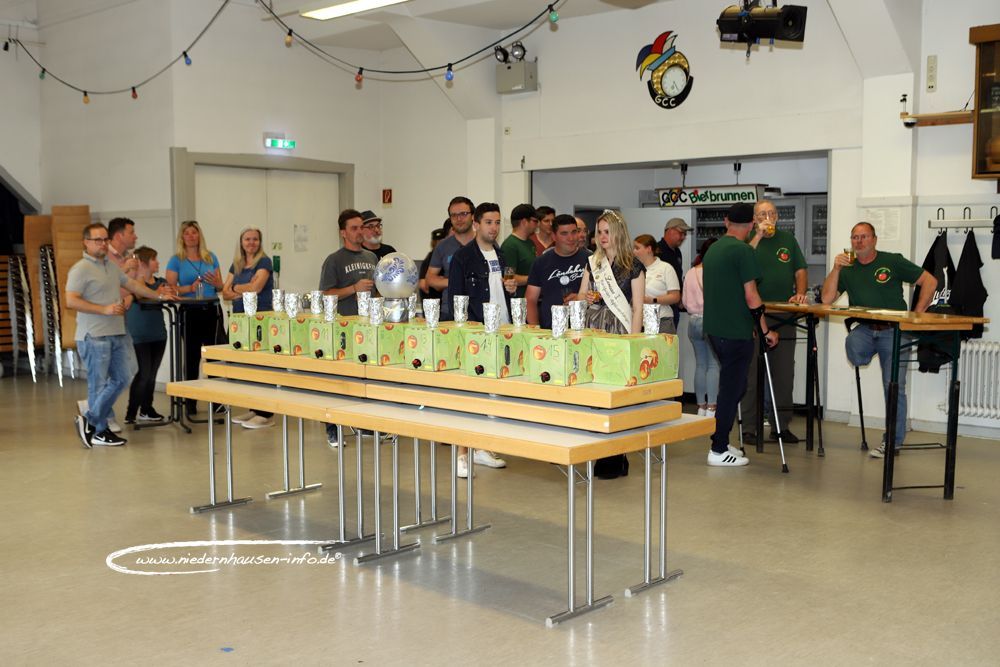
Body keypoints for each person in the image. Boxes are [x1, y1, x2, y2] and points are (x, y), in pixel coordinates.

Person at [821, 222, 937, 458]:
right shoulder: (847, 267)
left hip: (894, 331)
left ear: (874, 240)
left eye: (864, 237)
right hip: (864, 329)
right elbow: (826, 299)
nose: (859, 241)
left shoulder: (892, 261)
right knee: (853, 348)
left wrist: (917, 314)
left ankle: (893, 442)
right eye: (855, 237)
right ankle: (863, 356)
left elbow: (930, 281)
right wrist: (835, 269)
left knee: (893, 386)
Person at [66, 223, 178, 447]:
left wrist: (158, 296)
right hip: (94, 335)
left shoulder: (111, 266)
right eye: (97, 240)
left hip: (117, 332)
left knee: (125, 376)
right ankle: (99, 431)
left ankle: (90, 419)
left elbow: (133, 285)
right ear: (86, 242)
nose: (102, 244)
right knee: (98, 385)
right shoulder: (80, 269)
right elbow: (71, 300)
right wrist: (103, 310)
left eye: (105, 240)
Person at [703, 203, 778, 467]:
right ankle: (718, 449)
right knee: (731, 390)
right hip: (735, 331)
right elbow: (752, 296)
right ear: (751, 225)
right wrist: (766, 330)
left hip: (715, 330)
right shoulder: (743, 251)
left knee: (735, 386)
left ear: (726, 221)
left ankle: (722, 442)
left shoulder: (714, 249)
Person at [447, 202, 515, 477]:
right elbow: (456, 300)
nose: (494, 228)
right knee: (470, 395)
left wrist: (511, 288)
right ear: (476, 224)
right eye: (488, 222)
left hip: (502, 329)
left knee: (493, 395)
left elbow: (502, 290)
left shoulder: (501, 254)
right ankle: (462, 454)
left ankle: (482, 447)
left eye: (497, 222)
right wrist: (465, 334)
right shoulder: (462, 258)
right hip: (476, 332)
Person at [577, 210, 645, 479]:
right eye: (599, 232)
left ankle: (617, 455)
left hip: (619, 331)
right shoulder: (592, 263)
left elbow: (637, 307)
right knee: (596, 393)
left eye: (607, 232)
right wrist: (586, 298)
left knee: (616, 395)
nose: (602, 237)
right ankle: (600, 451)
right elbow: (581, 295)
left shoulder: (634, 265)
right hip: (594, 329)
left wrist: (633, 341)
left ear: (618, 233)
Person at [740, 200, 809, 443]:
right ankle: (749, 426)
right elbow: (741, 263)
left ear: (777, 216)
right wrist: (758, 236)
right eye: (761, 214)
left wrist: (800, 293)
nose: (767, 218)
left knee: (784, 372)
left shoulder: (788, 239)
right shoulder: (747, 240)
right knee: (750, 372)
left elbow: (800, 270)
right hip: (752, 313)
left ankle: (781, 425)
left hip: (783, 313)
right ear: (754, 219)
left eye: (771, 213)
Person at [165, 220, 225, 417]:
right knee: (191, 357)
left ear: (199, 235)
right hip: (190, 311)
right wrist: (188, 289)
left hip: (211, 310)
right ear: (182, 237)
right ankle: (190, 401)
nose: (191, 236)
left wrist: (217, 283)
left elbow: (221, 286)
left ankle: (218, 401)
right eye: (187, 233)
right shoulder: (176, 260)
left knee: (215, 356)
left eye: (194, 232)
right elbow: (170, 289)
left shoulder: (210, 257)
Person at [222, 227, 275, 430]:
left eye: (255, 239)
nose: (251, 243)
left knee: (260, 366)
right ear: (241, 242)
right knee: (245, 367)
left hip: (258, 319)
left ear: (260, 242)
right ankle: (254, 408)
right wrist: (241, 290)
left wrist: (235, 288)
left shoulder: (264, 262)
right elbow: (224, 293)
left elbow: (256, 288)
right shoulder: (237, 264)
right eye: (247, 239)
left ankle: (266, 413)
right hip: (239, 319)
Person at [123, 246, 169, 426]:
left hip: (158, 333)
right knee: (144, 373)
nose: (157, 262)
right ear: (143, 263)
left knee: (152, 374)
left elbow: (169, 292)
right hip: (140, 334)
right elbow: (139, 293)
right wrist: (140, 278)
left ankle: (146, 409)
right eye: (154, 259)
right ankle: (131, 412)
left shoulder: (160, 282)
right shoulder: (134, 283)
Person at [525, 214, 589, 329]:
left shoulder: (590, 259)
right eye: (564, 233)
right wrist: (535, 330)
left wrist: (581, 297)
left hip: (583, 330)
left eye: (574, 232)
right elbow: (530, 300)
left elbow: (600, 295)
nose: (571, 238)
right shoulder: (541, 262)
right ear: (554, 236)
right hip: (550, 331)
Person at [682, 238, 720, 417]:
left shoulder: (691, 272)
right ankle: (712, 407)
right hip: (711, 320)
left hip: (693, 321)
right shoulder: (717, 271)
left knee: (700, 364)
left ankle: (700, 406)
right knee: (713, 365)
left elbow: (684, 301)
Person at [319, 209, 378, 316]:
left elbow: (378, 290)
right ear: (343, 233)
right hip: (345, 322)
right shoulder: (334, 260)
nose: (359, 231)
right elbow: (325, 295)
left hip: (371, 319)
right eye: (354, 228)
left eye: (361, 227)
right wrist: (354, 288)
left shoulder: (372, 257)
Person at [426, 197, 475, 321]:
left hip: (479, 311)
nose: (459, 219)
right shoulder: (442, 246)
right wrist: (455, 282)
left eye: (463, 214)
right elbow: (430, 278)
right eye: (454, 215)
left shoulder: (485, 243)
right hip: (449, 312)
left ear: (473, 216)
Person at [633, 234, 681, 334]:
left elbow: (675, 297)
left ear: (649, 249)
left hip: (661, 320)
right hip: (639, 321)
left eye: (637, 248)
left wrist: (653, 300)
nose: (634, 251)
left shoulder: (665, 268)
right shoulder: (634, 270)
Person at [657, 217, 691, 329]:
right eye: (681, 233)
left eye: (685, 234)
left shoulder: (677, 252)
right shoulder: (657, 251)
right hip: (659, 309)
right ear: (670, 231)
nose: (683, 237)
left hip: (673, 307)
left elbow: (677, 277)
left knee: (670, 339)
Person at [499, 203, 538, 299]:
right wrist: (534, 278)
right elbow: (509, 278)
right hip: (518, 301)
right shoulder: (510, 246)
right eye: (535, 221)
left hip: (531, 298)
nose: (537, 225)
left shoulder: (530, 243)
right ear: (524, 222)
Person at [418, 226, 446, 302]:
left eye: (441, 241)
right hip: (433, 302)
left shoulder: (450, 256)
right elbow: (423, 284)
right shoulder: (430, 257)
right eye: (436, 241)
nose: (439, 244)